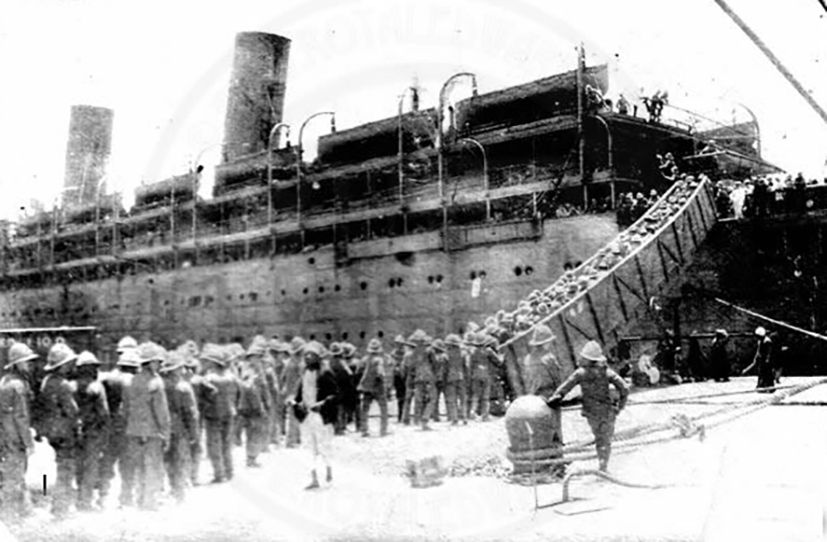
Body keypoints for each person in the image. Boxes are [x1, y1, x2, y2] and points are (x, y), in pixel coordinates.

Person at [548, 340, 629, 472]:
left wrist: (556, 397)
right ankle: (603, 465)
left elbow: (565, 387)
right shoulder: (607, 372)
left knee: (598, 438)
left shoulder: (580, 373)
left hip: (591, 412)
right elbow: (624, 388)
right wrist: (620, 406)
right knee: (605, 440)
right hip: (607, 411)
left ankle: (602, 463)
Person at [121, 342, 170, 510]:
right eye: (157, 361)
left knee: (139, 467)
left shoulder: (130, 381)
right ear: (150, 363)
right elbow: (161, 412)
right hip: (152, 432)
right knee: (153, 467)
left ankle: (139, 499)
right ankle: (150, 502)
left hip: (133, 432)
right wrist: (166, 433)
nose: (160, 365)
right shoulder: (156, 382)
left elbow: (125, 410)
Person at [37, 342, 80, 517]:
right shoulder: (64, 385)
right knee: (65, 469)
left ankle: (48, 499)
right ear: (62, 365)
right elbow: (72, 410)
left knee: (49, 468)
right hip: (64, 433)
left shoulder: (46, 382)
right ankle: (60, 508)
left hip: (50, 431)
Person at [292, 341, 339, 490]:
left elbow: (336, 395)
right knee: (308, 447)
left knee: (324, 445)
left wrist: (323, 404)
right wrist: (295, 402)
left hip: (320, 415)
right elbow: (300, 394)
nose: (308, 358)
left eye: (311, 355)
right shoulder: (304, 373)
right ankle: (313, 478)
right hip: (306, 416)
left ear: (318, 357)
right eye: (306, 355)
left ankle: (329, 474)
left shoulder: (325, 373)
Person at [0, 342, 37, 520]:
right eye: (26, 362)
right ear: (17, 363)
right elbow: (21, 417)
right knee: (15, 476)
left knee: (12, 474)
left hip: (5, 437)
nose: (29, 365)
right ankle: (10, 515)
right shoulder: (18, 385)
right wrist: (29, 443)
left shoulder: (4, 381)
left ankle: (23, 510)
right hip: (15, 439)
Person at [100, 345, 140, 508]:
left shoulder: (108, 378)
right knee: (128, 464)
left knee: (107, 461)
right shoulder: (133, 381)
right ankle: (126, 498)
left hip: (110, 425)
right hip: (128, 427)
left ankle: (103, 496)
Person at [73, 351, 110, 511]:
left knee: (79, 466)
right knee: (91, 466)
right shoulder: (97, 387)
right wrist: (105, 434)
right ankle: (85, 501)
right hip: (93, 432)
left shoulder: (71, 386)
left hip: (75, 432)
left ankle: (80, 497)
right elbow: (104, 413)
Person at [522, 325, 565, 462]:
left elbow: (527, 379)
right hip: (550, 396)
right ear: (545, 342)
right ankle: (558, 459)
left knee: (540, 430)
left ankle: (543, 459)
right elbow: (558, 379)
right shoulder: (549, 358)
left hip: (534, 398)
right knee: (555, 429)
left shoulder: (528, 359)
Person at [160, 351, 199, 502]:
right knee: (178, 460)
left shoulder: (160, 384)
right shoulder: (184, 387)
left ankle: (161, 489)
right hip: (179, 428)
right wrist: (194, 433)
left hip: (161, 427)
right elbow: (191, 413)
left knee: (163, 460)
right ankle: (178, 492)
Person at [201, 343, 241, 483]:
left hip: (213, 415)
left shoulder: (209, 378)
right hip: (230, 413)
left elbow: (204, 397)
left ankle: (219, 474)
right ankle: (229, 471)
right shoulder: (232, 376)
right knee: (227, 444)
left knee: (214, 446)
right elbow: (239, 394)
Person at [239, 336, 272, 467]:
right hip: (252, 407)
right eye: (258, 357)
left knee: (256, 431)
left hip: (257, 405)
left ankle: (253, 456)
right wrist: (260, 407)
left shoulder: (259, 371)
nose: (260, 359)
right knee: (254, 431)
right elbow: (251, 390)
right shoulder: (251, 372)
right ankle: (251, 458)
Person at [467, 332, 503, 421]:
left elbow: (470, 365)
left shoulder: (473, 352)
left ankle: (472, 411)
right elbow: (498, 361)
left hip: (475, 375)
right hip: (486, 374)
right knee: (485, 396)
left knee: (475, 395)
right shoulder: (488, 351)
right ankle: (485, 415)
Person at [358, 338, 389, 437]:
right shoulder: (379, 360)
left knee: (365, 409)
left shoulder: (364, 359)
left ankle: (364, 429)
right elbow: (380, 373)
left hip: (367, 387)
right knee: (383, 409)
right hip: (378, 387)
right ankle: (383, 430)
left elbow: (359, 371)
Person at [409, 329, 437, 430]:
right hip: (428, 376)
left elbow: (411, 366)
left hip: (418, 377)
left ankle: (417, 419)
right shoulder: (429, 350)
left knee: (419, 399)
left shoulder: (414, 352)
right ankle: (425, 419)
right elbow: (435, 364)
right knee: (432, 398)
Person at [281, 337, 305, 447]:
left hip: (289, 393)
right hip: (296, 393)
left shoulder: (288, 362)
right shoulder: (299, 363)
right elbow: (302, 378)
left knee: (293, 415)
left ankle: (295, 439)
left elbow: (282, 378)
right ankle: (292, 440)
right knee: (296, 416)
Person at [443, 334, 468, 425]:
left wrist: (443, 381)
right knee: (463, 399)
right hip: (461, 377)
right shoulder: (463, 354)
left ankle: (455, 418)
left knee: (452, 400)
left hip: (450, 378)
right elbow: (466, 367)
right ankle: (464, 417)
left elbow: (444, 370)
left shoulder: (446, 355)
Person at [741, 327, 775, 391]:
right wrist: (756, 358)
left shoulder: (767, 341)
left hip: (767, 360)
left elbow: (769, 352)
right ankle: (761, 386)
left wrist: (767, 359)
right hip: (761, 359)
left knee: (767, 373)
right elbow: (758, 350)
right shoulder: (760, 341)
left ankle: (770, 387)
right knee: (761, 373)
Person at [389, 335, 408, 423]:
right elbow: (391, 364)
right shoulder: (393, 353)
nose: (399, 345)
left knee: (406, 396)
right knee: (400, 397)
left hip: (406, 376)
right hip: (397, 376)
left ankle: (404, 416)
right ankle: (401, 416)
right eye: (397, 344)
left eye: (400, 344)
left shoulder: (406, 353)